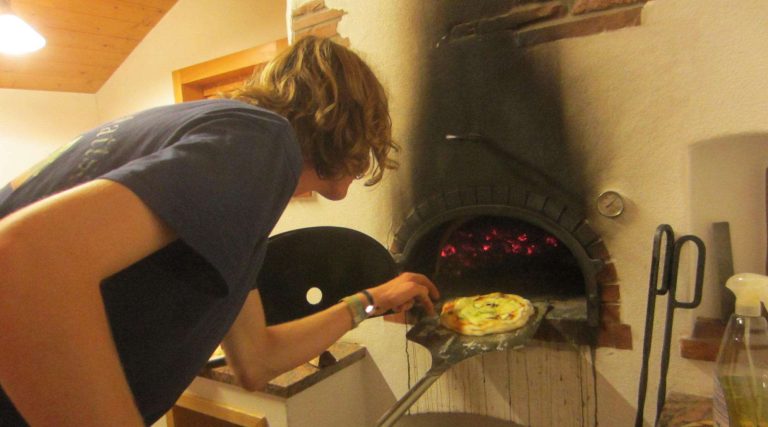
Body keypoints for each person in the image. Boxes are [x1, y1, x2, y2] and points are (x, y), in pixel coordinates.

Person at [0, 36, 439, 426]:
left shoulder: (227, 165)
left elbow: (256, 361)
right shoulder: (261, 142)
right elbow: (18, 263)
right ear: (350, 127)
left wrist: (369, 302)